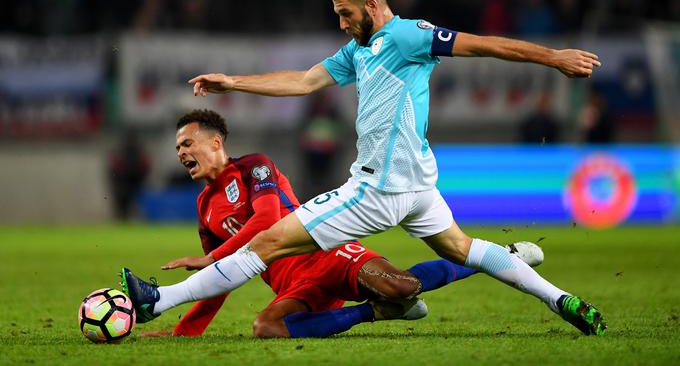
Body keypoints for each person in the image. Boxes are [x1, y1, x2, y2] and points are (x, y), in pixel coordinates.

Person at [123, 0, 606, 336]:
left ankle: (157, 301)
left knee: (264, 243)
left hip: (378, 186)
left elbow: (481, 44)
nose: (340, 23)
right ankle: (561, 300)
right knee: (464, 249)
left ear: (371, 5)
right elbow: (305, 80)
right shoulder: (360, 49)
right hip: (419, 185)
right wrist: (234, 82)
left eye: (345, 13)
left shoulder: (407, 34)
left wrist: (554, 57)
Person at [128, 109, 543, 338]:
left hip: (328, 253)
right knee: (265, 329)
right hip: (294, 285)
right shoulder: (204, 208)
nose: (181, 152)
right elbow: (218, 280)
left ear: (215, 142)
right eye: (178, 147)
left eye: (187, 143)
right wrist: (186, 333)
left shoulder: (254, 167)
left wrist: (214, 257)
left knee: (401, 286)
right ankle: (375, 314)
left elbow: (269, 219)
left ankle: (502, 257)